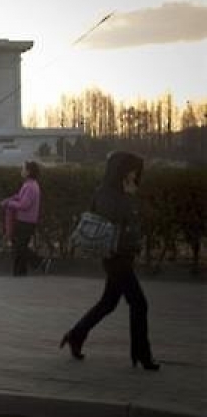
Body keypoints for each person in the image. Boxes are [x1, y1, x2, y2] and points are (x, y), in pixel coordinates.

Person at [60, 151, 160, 370]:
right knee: (140, 303)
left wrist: (132, 195)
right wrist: (130, 197)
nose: (135, 174)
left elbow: (138, 218)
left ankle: (76, 335)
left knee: (109, 302)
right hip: (114, 256)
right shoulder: (106, 193)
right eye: (132, 170)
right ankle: (142, 354)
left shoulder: (128, 191)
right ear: (121, 171)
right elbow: (112, 218)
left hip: (125, 254)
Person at [0, 160, 48, 276]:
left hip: (26, 221)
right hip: (24, 221)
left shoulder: (31, 186)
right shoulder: (28, 184)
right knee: (19, 247)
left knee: (19, 247)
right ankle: (20, 272)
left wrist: (8, 203)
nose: (21, 171)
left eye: (23, 169)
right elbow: (20, 197)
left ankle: (39, 262)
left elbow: (24, 205)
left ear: (28, 171)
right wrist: (11, 198)